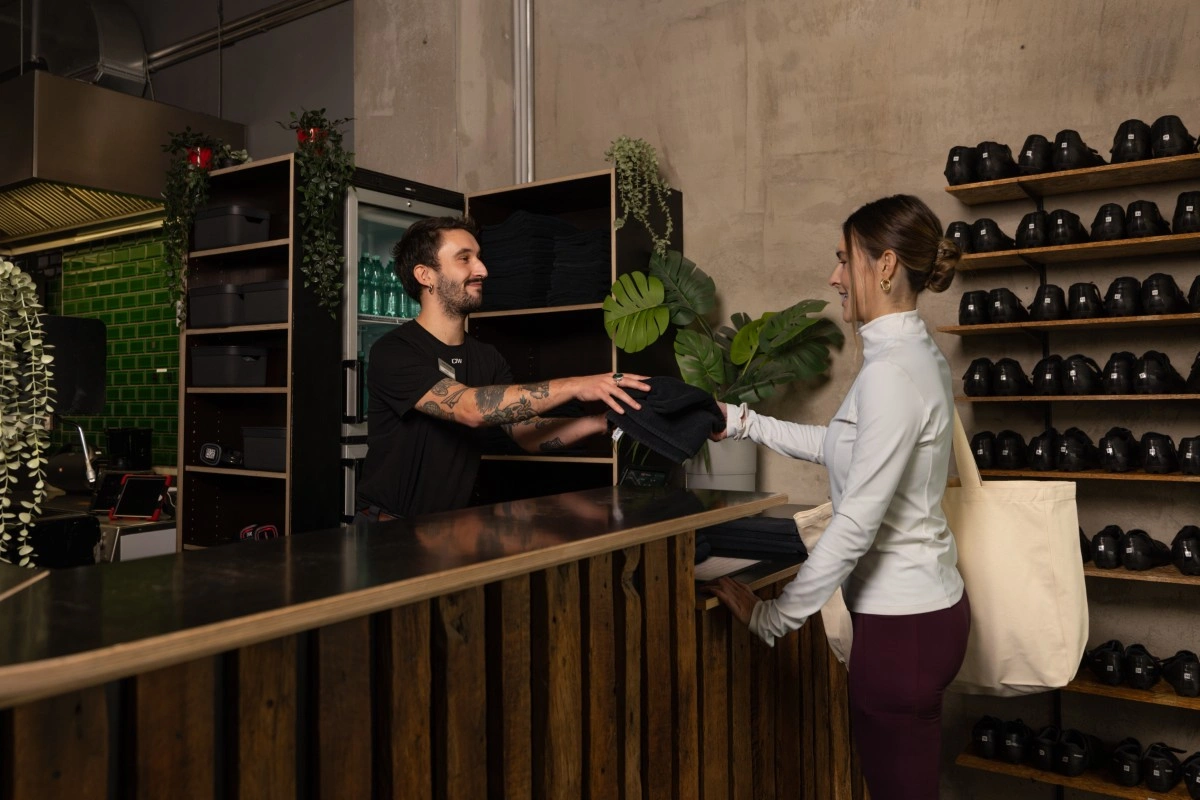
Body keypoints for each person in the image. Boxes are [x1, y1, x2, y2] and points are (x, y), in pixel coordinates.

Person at [706, 194, 969, 800]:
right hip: (921, 621)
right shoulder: (909, 354)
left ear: (883, 266)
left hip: (903, 635)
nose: (833, 277)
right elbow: (843, 445)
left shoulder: (892, 373)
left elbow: (854, 525)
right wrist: (744, 421)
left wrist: (773, 617)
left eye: (842, 260)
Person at [355, 216, 649, 522]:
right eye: (464, 259)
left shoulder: (486, 357)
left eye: (479, 258)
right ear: (425, 275)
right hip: (388, 527)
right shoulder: (394, 351)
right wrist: (577, 385)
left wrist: (604, 421)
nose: (482, 270)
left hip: (447, 526)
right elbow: (470, 408)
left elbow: (526, 434)